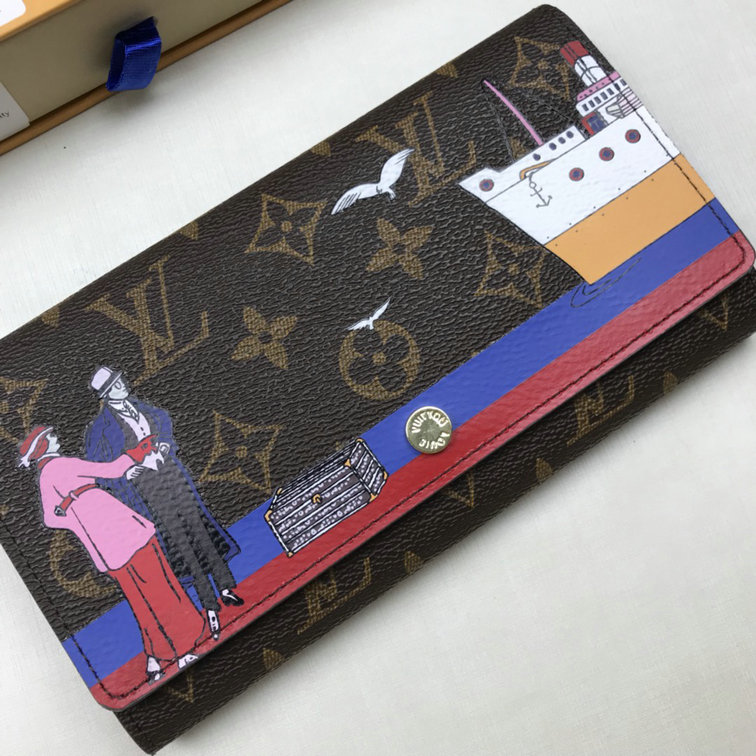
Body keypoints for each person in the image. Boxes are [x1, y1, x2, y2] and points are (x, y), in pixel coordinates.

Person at [18, 425, 207, 683]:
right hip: (126, 532)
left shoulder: (44, 477)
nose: (56, 437)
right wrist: (136, 453)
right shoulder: (62, 465)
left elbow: (51, 518)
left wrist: (77, 518)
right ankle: (181, 650)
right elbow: (111, 471)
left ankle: (155, 659)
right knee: (160, 589)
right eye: (50, 436)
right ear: (42, 446)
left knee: (141, 601)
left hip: (104, 549)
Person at [84, 367, 242, 640]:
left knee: (199, 526)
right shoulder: (99, 428)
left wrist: (165, 444)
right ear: (106, 395)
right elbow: (98, 469)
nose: (123, 385)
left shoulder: (139, 406)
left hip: (171, 471)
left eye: (120, 380)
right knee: (178, 540)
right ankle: (208, 602)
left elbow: (163, 420)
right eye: (116, 385)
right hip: (146, 488)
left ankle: (226, 585)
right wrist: (127, 473)